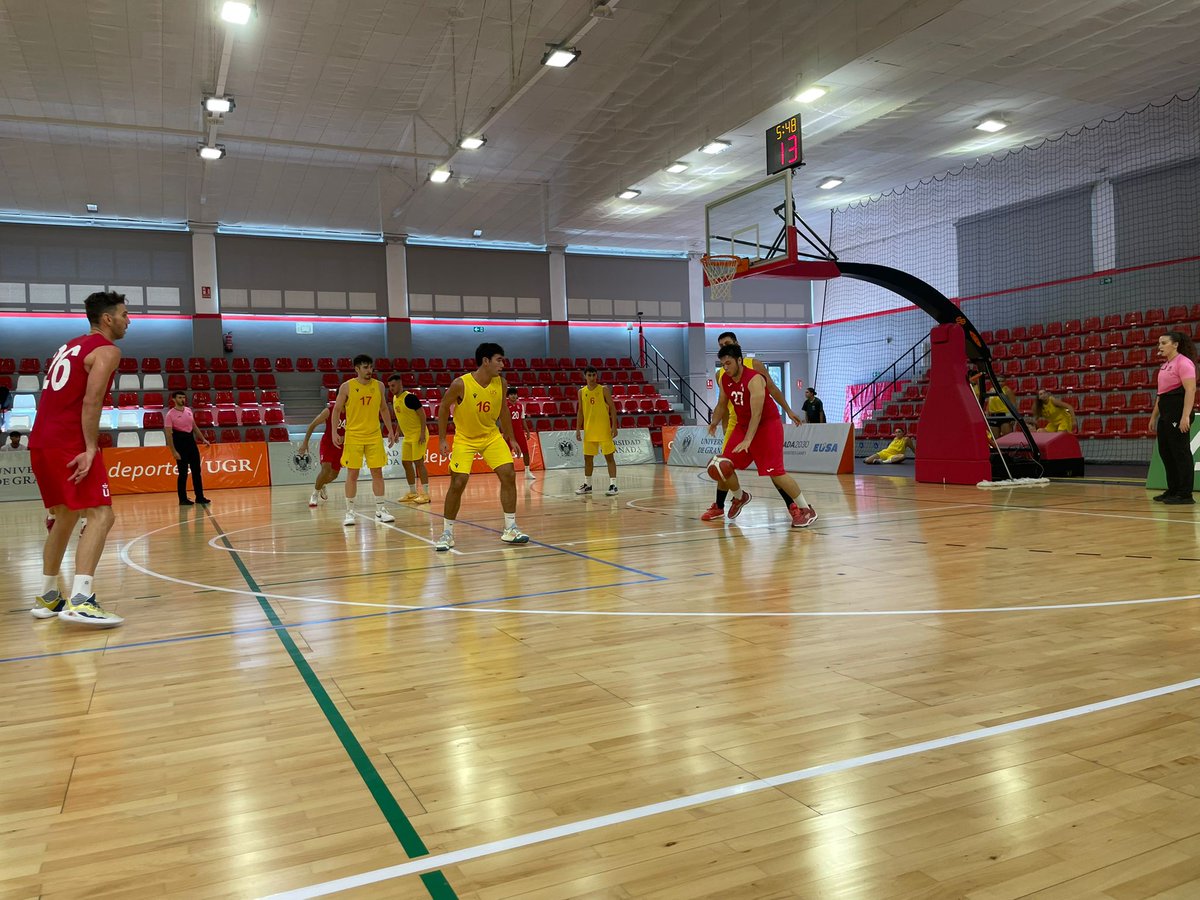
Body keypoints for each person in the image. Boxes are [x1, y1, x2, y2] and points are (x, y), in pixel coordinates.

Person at [28, 290, 128, 626]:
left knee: (65, 518)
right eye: (125, 315)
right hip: (68, 442)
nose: (129, 321)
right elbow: (92, 400)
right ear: (107, 319)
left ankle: (49, 595)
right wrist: (89, 447)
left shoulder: (67, 346)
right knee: (101, 515)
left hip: (41, 440)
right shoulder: (107, 349)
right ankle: (82, 599)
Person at [706, 342, 817, 528]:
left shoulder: (755, 379)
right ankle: (740, 497)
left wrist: (749, 439)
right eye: (722, 364)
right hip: (743, 426)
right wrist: (714, 422)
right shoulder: (724, 379)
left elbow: (757, 414)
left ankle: (806, 509)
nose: (725, 368)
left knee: (776, 473)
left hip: (767, 426)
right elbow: (721, 404)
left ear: (739, 360)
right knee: (722, 466)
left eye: (728, 363)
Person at [434, 342, 530, 550]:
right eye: (499, 360)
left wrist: (511, 437)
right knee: (458, 482)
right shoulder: (461, 384)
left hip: (491, 436)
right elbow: (443, 408)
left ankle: (510, 528)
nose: (503, 364)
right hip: (465, 438)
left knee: (509, 474)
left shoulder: (501, 383)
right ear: (485, 361)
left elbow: (503, 409)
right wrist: (442, 439)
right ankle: (447, 532)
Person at [331, 354, 397, 526]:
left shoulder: (380, 386)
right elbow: (337, 410)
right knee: (352, 473)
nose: (369, 370)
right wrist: (334, 432)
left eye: (370, 367)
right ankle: (350, 512)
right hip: (353, 436)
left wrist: (390, 430)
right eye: (365, 367)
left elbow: (383, 408)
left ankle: (380, 509)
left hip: (374, 435)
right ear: (357, 369)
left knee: (377, 472)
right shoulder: (347, 387)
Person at [1149, 330, 1196, 505]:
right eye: (1159, 343)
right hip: (1166, 413)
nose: (1159, 346)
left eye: (1163, 343)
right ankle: (1173, 489)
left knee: (1180, 452)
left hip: (1178, 411)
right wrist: (1154, 417)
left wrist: (1185, 416)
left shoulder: (1184, 363)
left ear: (1175, 345)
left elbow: (1190, 390)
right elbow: (1161, 394)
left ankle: (1185, 494)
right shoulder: (1165, 365)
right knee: (1166, 452)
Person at [574, 366, 619, 496]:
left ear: (596, 376)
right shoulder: (581, 392)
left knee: (609, 457)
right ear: (585, 376)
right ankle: (588, 485)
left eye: (594, 375)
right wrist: (578, 429)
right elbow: (580, 411)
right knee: (587, 459)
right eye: (589, 375)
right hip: (589, 431)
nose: (592, 378)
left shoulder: (603, 390)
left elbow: (613, 408)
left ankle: (613, 485)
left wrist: (614, 426)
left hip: (604, 430)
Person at [387, 374, 431, 503]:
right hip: (407, 436)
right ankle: (412, 492)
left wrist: (422, 433)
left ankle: (426, 494)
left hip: (418, 434)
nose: (391, 388)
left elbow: (422, 416)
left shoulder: (410, 398)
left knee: (419, 463)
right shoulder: (395, 399)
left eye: (393, 385)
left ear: (400, 384)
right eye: (389, 386)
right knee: (406, 463)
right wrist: (397, 432)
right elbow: (401, 418)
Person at [163, 390, 212, 506]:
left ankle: (199, 497)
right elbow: (169, 435)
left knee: (196, 471)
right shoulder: (170, 415)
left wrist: (203, 439)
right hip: (180, 444)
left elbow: (194, 427)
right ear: (174, 399)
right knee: (183, 473)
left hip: (191, 442)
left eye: (183, 398)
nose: (182, 400)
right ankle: (182, 499)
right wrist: (174, 451)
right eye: (179, 398)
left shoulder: (189, 411)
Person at [299, 402, 345, 508]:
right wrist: (305, 443)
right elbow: (312, 425)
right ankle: (314, 494)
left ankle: (322, 484)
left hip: (341, 446)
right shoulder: (328, 411)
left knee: (334, 475)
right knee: (326, 469)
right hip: (328, 444)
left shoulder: (352, 411)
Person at [507, 386, 535, 481]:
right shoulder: (504, 406)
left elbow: (523, 420)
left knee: (526, 451)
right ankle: (508, 472)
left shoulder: (520, 406)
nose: (513, 396)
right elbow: (502, 420)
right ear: (508, 396)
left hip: (519, 432)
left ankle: (527, 472)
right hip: (509, 432)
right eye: (511, 394)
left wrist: (527, 431)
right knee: (507, 453)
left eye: (515, 394)